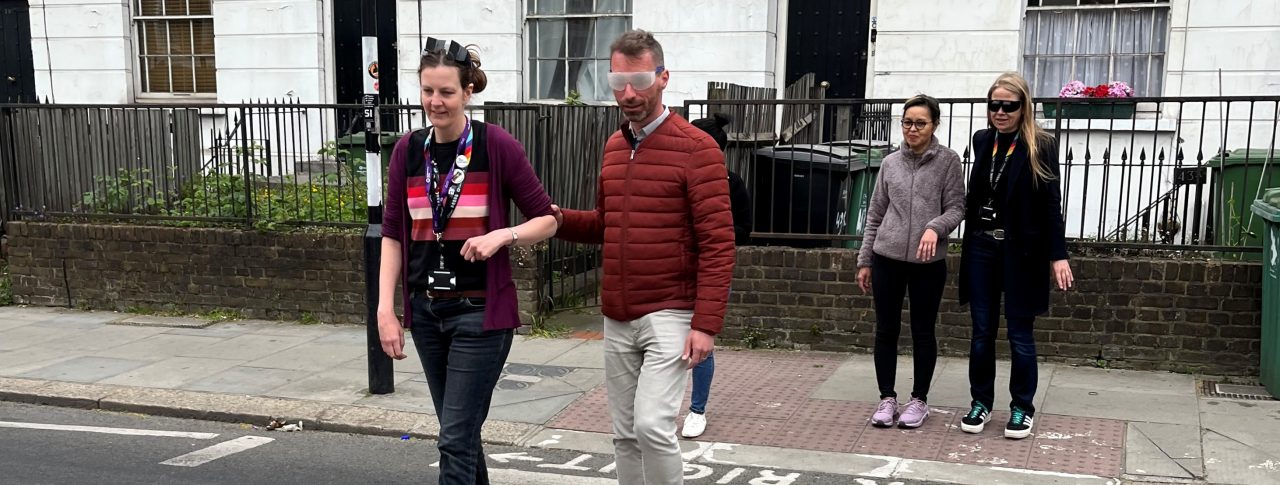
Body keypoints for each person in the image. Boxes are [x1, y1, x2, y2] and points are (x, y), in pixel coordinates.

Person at [552, 29, 735, 485]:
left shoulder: (698, 148)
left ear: (663, 77)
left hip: (671, 310)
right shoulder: (614, 147)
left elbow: (718, 242)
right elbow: (604, 222)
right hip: (617, 314)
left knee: (652, 426)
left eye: (638, 79)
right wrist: (556, 219)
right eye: (618, 80)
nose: (628, 93)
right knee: (624, 435)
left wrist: (705, 325)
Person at [376, 37, 558, 484]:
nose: (435, 103)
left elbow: (548, 219)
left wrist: (503, 235)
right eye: (427, 91)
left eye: (446, 92)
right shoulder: (407, 151)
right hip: (427, 311)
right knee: (461, 436)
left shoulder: (496, 146)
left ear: (467, 92)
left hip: (479, 315)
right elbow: (394, 234)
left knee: (454, 439)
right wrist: (385, 309)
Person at [958, 72, 1074, 440]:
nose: (1001, 112)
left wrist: (1058, 256)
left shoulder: (1041, 145)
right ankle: (980, 403)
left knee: (1020, 333)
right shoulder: (982, 141)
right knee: (981, 332)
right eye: (995, 105)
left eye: (1009, 105)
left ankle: (1022, 408)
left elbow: (1051, 205)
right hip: (981, 247)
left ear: (1024, 107)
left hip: (1022, 250)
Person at [856, 94, 965, 429]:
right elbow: (875, 215)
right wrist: (865, 260)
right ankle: (887, 398)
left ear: (934, 125)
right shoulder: (890, 164)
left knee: (922, 331)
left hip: (927, 262)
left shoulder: (948, 162)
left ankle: (919, 400)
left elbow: (957, 207)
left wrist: (935, 227)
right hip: (886, 257)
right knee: (886, 330)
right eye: (907, 122)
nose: (912, 129)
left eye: (920, 123)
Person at [681, 113, 752, 439]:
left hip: (708, 271)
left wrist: (714, 230)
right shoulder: (677, 180)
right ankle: (663, 408)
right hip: (675, 270)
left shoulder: (731, 185)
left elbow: (744, 230)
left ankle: (697, 410)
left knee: (701, 342)